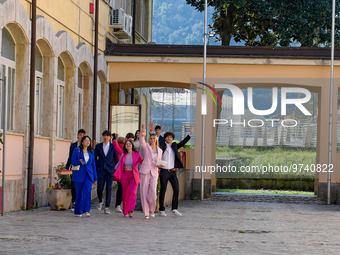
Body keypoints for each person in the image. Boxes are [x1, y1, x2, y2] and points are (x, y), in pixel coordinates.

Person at [150, 122, 194, 217]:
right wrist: (152, 131)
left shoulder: (174, 146)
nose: (169, 138)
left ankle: (174, 209)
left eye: (171, 137)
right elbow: (155, 141)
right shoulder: (162, 145)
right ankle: (162, 210)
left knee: (176, 189)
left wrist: (190, 134)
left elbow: (183, 142)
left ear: (173, 138)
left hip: (172, 172)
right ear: (165, 138)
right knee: (163, 190)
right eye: (167, 137)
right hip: (164, 171)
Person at [113, 140, 143, 218]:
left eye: (130, 144)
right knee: (125, 193)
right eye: (127, 144)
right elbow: (116, 147)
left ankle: (131, 210)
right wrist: (114, 140)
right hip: (125, 175)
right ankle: (125, 211)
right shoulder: (124, 154)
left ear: (132, 145)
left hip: (134, 176)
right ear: (125, 146)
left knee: (133, 192)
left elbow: (143, 162)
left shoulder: (137, 154)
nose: (128, 145)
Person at [139, 124, 163, 219]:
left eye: (154, 138)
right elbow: (141, 141)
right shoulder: (147, 147)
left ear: (156, 139)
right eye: (151, 138)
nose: (152, 140)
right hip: (145, 171)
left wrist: (161, 164)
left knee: (153, 191)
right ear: (149, 140)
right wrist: (143, 130)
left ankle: (152, 208)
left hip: (154, 171)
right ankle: (146, 212)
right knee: (144, 192)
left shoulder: (160, 150)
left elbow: (159, 161)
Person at [71, 135, 97, 217]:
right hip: (79, 174)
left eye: (89, 141)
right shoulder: (77, 150)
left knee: (87, 192)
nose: (88, 142)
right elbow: (73, 161)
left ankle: (87, 211)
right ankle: (78, 211)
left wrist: (95, 178)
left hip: (89, 175)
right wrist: (79, 161)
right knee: (79, 193)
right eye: (86, 140)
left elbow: (93, 165)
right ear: (82, 142)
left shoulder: (91, 152)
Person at [95, 130, 119, 214]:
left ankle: (107, 207)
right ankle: (100, 200)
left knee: (109, 189)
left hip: (110, 171)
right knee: (99, 189)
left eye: (107, 136)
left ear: (110, 137)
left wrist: (117, 170)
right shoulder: (98, 146)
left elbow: (116, 159)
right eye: (104, 135)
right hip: (101, 169)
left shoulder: (113, 147)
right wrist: (95, 169)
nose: (106, 137)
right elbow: (95, 159)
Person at [112, 132, 135, 213]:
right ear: (126, 140)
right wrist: (114, 139)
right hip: (123, 174)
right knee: (120, 189)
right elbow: (116, 147)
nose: (130, 142)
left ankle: (128, 206)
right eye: (129, 140)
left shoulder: (135, 153)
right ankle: (118, 205)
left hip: (132, 174)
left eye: (132, 140)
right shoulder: (123, 152)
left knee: (129, 191)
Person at [65, 129, 86, 210]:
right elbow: (70, 157)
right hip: (74, 168)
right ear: (77, 135)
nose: (81, 136)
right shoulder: (73, 145)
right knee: (73, 185)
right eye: (80, 134)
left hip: (83, 169)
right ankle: (74, 201)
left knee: (82, 186)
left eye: (83, 135)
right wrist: (67, 168)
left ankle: (80, 202)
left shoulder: (86, 146)